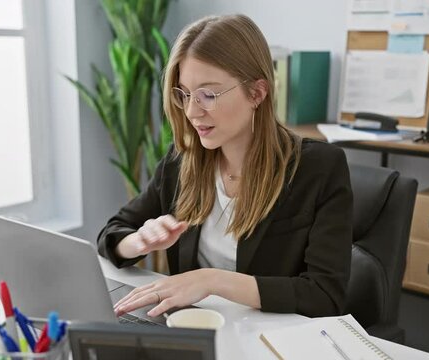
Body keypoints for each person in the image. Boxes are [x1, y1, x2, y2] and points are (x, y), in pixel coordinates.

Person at [97, 14, 352, 319]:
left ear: (256, 93)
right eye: (185, 94)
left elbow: (324, 295)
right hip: (198, 333)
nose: (192, 111)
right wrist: (138, 241)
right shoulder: (180, 162)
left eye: (208, 94)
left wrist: (212, 281)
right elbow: (110, 235)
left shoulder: (318, 168)